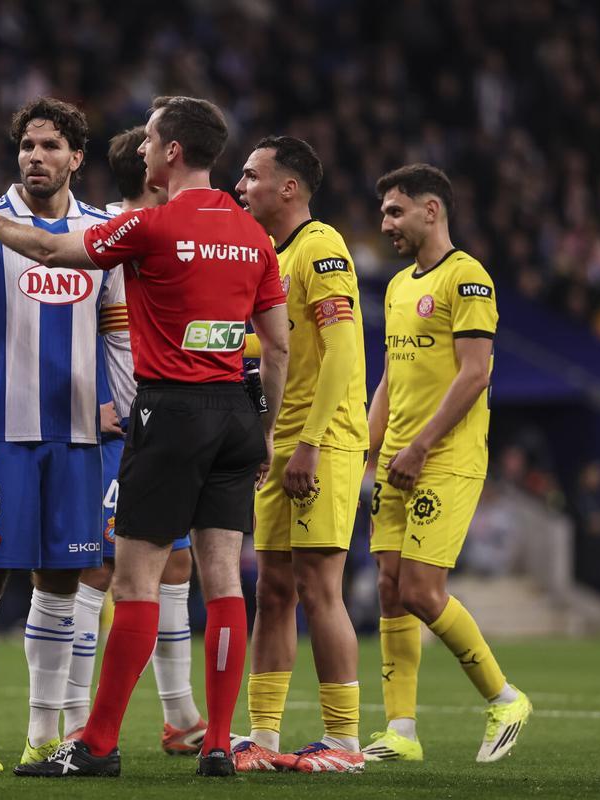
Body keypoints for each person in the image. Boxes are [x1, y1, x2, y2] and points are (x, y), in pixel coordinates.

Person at [0, 94, 290, 779]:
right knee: (223, 580)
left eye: (149, 141)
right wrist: (266, 431)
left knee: (133, 584)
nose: (138, 151)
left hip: (169, 414)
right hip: (235, 414)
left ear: (172, 152)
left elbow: (48, 247)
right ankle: (218, 741)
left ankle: (97, 744)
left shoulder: (150, 226)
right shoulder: (255, 236)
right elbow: (278, 348)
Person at [0, 98, 129, 772]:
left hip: (77, 441)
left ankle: (43, 735)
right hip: (0, 437)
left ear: (77, 157)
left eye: (50, 145)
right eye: (28, 145)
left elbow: (120, 331)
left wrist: (124, 405)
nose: (37, 156)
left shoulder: (102, 234)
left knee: (64, 582)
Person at [363, 163, 531, 764]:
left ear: (431, 210)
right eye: (383, 213)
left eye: (395, 211)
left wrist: (421, 445)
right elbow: (390, 375)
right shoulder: (399, 284)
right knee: (388, 588)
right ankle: (401, 733)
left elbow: (476, 373)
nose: (385, 224)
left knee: (421, 590)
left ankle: (505, 698)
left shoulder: (469, 277)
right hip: (396, 457)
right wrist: (369, 442)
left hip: (444, 457)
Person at [61, 126, 208, 755]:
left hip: (162, 429)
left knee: (176, 565)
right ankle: (73, 714)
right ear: (151, 173)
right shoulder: (113, 237)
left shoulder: (167, 236)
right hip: (112, 433)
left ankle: (179, 716)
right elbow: (68, 320)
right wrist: (89, 402)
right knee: (98, 573)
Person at [230, 136, 368, 774]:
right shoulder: (266, 254)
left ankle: (344, 743)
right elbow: (274, 347)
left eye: (252, 175)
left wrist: (310, 442)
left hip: (325, 435)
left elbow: (341, 350)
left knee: (319, 586)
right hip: (279, 438)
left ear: (289, 188)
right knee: (275, 590)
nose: (240, 185)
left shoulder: (322, 247)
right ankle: (262, 734)